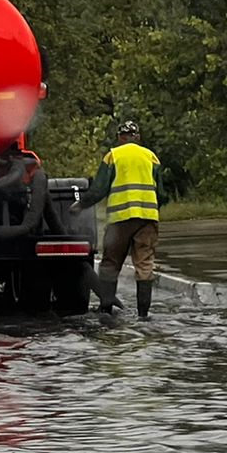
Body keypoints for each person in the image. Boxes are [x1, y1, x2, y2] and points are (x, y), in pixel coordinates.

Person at [73, 120, 169, 318]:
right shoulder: (151, 157)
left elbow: (99, 189)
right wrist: (153, 209)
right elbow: (161, 193)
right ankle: (143, 314)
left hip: (120, 220)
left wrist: (80, 205)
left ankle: (106, 310)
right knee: (144, 264)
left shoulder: (113, 156)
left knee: (110, 264)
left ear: (119, 138)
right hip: (147, 219)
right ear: (138, 137)